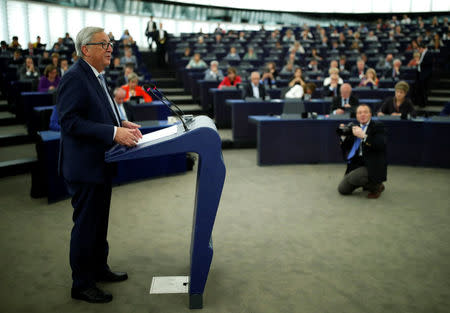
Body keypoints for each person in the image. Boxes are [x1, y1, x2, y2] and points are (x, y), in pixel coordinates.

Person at [57, 26, 142, 303]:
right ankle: (81, 284)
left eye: (110, 43)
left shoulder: (97, 75)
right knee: (86, 225)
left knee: (99, 223)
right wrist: (113, 133)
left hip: (101, 163)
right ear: (86, 50)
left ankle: (98, 268)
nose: (110, 48)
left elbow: (100, 112)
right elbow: (69, 121)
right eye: (103, 43)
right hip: (84, 167)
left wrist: (121, 124)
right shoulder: (74, 78)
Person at [337, 104, 387, 199]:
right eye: (359, 113)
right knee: (342, 189)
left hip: (372, 163)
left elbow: (380, 145)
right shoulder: (354, 128)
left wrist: (364, 136)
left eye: (365, 112)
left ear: (370, 114)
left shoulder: (378, 126)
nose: (362, 115)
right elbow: (346, 147)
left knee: (354, 177)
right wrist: (343, 136)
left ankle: (376, 186)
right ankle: (366, 183)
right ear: (356, 116)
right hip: (357, 163)